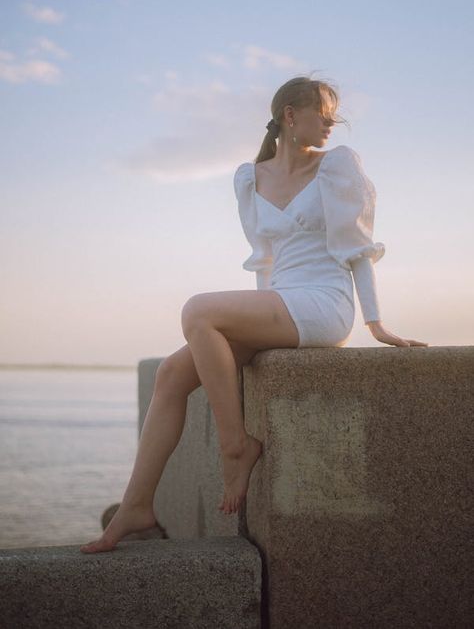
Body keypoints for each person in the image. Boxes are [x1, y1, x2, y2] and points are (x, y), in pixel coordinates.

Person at [80, 75, 428, 554]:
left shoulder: (338, 167)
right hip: (281, 303)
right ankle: (136, 505)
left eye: (334, 118)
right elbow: (264, 265)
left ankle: (235, 446)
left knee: (197, 310)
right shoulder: (250, 177)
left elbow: (358, 251)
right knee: (172, 373)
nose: (332, 125)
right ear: (290, 115)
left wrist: (376, 323)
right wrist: (247, 328)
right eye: (324, 114)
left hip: (324, 304)